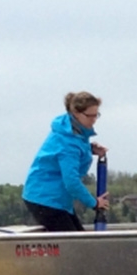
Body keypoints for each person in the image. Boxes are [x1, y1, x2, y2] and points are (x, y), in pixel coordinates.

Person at [22, 91, 110, 231]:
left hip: (59, 199)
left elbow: (74, 149)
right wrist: (94, 203)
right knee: (76, 248)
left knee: (83, 244)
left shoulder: (74, 131)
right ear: (76, 113)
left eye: (96, 115)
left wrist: (89, 149)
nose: (94, 120)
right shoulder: (68, 143)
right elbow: (71, 182)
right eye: (90, 115)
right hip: (45, 199)